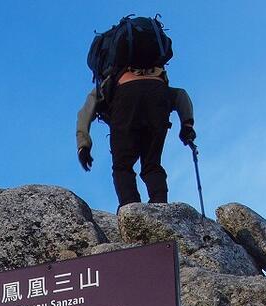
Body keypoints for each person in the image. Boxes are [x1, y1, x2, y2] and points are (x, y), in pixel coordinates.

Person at [76, 67, 195, 208]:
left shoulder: (109, 82)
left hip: (125, 99)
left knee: (122, 166)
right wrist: (187, 125)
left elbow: (85, 112)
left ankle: (131, 207)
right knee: (152, 163)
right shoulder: (157, 74)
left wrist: (83, 145)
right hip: (157, 96)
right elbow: (181, 95)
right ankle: (161, 206)